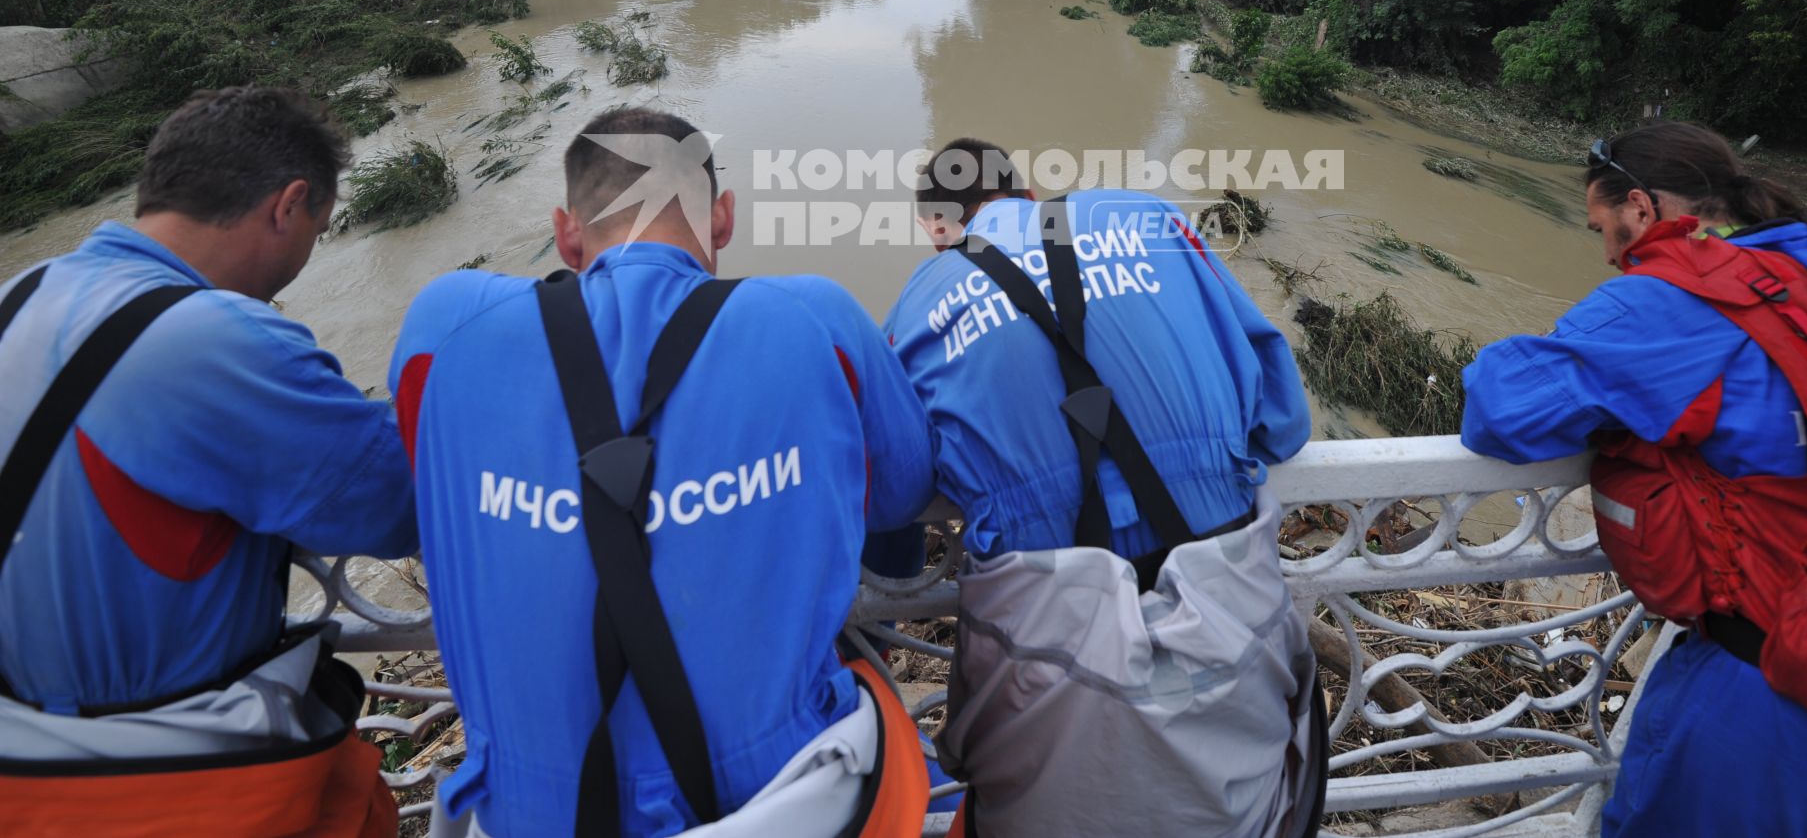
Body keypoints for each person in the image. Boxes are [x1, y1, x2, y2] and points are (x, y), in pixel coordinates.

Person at [391, 106, 936, 838]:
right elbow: (903, 492)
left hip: (526, 813)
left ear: (565, 232)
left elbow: (397, 497)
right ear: (722, 220)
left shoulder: (446, 326)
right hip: (780, 797)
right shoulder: (815, 316)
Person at [1462, 122, 1807, 837]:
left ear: (1642, 209)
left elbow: (1501, 409)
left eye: (1602, 229)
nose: (1611, 254)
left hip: (1774, 703)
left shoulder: (1678, 297)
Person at [0, 86, 417, 838]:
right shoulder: (219, 341)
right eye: (318, 229)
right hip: (171, 782)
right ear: (288, 205)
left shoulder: (17, 297)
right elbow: (402, 502)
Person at [882, 139, 1325, 838]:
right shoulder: (1148, 220)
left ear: (939, 227)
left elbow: (897, 492)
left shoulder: (922, 301)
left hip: (1048, 668)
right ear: (1025, 192)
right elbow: (1283, 422)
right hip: (1231, 626)